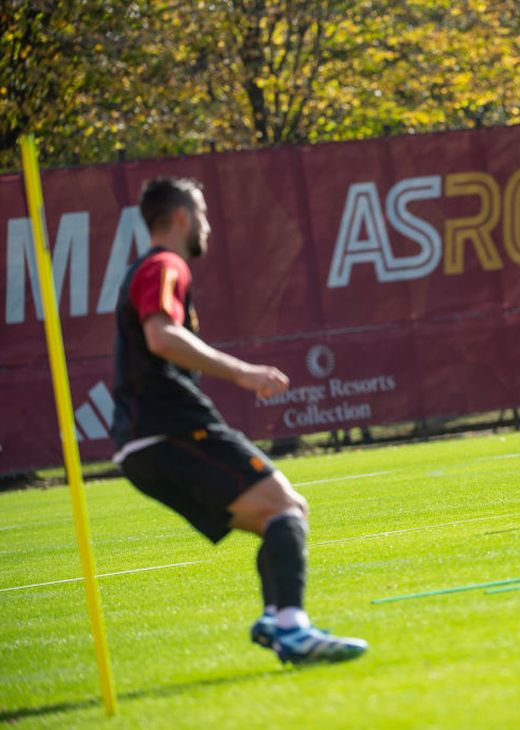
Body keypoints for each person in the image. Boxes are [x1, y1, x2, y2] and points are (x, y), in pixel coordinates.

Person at [110, 177, 367, 664]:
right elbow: (161, 336)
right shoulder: (166, 265)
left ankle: (276, 619)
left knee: (282, 513)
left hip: (148, 439)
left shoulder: (148, 269)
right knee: (286, 509)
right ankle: (292, 629)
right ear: (183, 217)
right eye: (203, 214)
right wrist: (243, 373)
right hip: (169, 428)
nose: (207, 225)